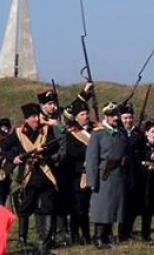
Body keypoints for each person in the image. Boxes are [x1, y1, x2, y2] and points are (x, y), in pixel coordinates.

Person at [5, 103, 60, 255]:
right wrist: (13, 158)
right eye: (33, 117)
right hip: (28, 175)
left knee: (48, 207)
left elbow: (55, 146)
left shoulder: (46, 129)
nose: (36, 119)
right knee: (25, 209)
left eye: (37, 116)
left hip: (45, 173)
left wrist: (45, 150)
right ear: (26, 119)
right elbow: (5, 146)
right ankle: (23, 240)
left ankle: (46, 241)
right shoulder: (18, 132)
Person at [86, 102, 129, 249]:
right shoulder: (98, 134)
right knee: (102, 207)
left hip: (118, 174)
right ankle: (98, 237)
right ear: (106, 116)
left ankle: (108, 236)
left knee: (114, 207)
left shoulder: (121, 133)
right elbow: (92, 159)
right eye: (112, 115)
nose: (115, 118)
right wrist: (92, 181)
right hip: (104, 175)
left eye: (117, 115)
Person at [63, 94, 95, 245]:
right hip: (77, 175)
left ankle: (88, 235)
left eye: (87, 113)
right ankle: (76, 235)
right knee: (78, 208)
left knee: (89, 206)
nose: (85, 116)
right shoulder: (71, 133)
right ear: (75, 117)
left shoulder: (95, 130)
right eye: (82, 114)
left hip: (93, 173)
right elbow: (72, 152)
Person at [118, 102, 146, 242]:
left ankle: (127, 232)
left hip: (135, 174)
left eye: (130, 117)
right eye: (125, 118)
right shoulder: (117, 132)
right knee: (120, 205)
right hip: (120, 174)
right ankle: (120, 233)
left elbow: (143, 152)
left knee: (132, 206)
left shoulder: (138, 134)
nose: (128, 120)